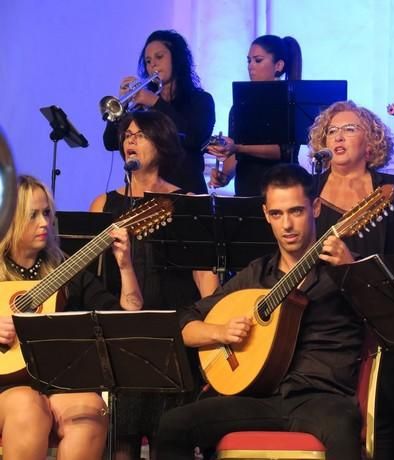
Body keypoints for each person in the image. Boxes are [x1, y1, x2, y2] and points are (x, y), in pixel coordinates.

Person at [156, 164, 364, 459]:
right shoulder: (257, 275)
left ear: (315, 208)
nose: (287, 225)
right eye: (277, 214)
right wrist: (220, 332)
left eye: (296, 211)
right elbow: (183, 322)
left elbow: (391, 323)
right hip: (259, 398)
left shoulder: (345, 268)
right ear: (266, 214)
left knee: (343, 428)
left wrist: (352, 273)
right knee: (172, 425)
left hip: (322, 398)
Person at [307, 100, 394, 460]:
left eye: (349, 129)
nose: (338, 136)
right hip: (320, 329)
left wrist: (358, 268)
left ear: (371, 141)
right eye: (331, 130)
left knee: (380, 425)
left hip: (382, 324)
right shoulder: (308, 196)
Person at [92, 110, 218, 459]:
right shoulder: (104, 204)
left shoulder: (188, 202)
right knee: (122, 441)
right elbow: (94, 280)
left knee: (170, 438)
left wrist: (212, 343)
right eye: (127, 134)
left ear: (161, 144)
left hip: (175, 332)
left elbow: (204, 277)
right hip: (126, 335)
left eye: (140, 134)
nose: (130, 140)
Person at [0, 175, 142, 459]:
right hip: (6, 387)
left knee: (90, 410)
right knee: (29, 406)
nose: (44, 223)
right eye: (32, 215)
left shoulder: (66, 271)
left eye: (47, 213)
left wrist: (125, 266)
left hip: (56, 384)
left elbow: (127, 321)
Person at [103, 29, 215, 194]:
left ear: (176, 59)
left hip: (186, 191)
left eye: (159, 57)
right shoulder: (141, 108)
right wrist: (123, 106)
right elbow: (110, 142)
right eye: (148, 61)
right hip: (143, 192)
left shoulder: (201, 100)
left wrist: (155, 102)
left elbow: (194, 138)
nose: (152, 64)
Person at [207, 35, 302, 196]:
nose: (251, 66)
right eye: (248, 61)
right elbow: (235, 153)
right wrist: (225, 176)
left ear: (278, 65)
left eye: (257, 60)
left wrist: (238, 147)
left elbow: (283, 151)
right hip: (246, 188)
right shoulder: (240, 105)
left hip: (281, 186)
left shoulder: (290, 103)